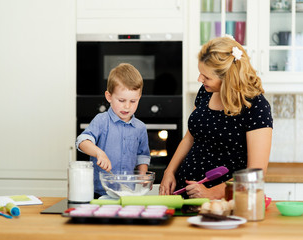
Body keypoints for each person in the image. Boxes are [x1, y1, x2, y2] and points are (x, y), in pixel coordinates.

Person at [159, 36, 273, 199]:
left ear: (228, 77)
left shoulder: (255, 106)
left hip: (224, 202)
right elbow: (189, 139)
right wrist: (169, 171)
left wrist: (211, 193)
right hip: (184, 193)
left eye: (206, 77)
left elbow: (255, 173)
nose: (200, 79)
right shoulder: (205, 92)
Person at [76, 63, 151, 198]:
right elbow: (82, 142)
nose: (127, 106)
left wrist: (142, 179)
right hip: (99, 192)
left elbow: (142, 157)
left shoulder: (140, 128)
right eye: (121, 100)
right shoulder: (101, 121)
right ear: (109, 96)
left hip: (128, 192)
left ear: (139, 98)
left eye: (133, 101)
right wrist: (99, 153)